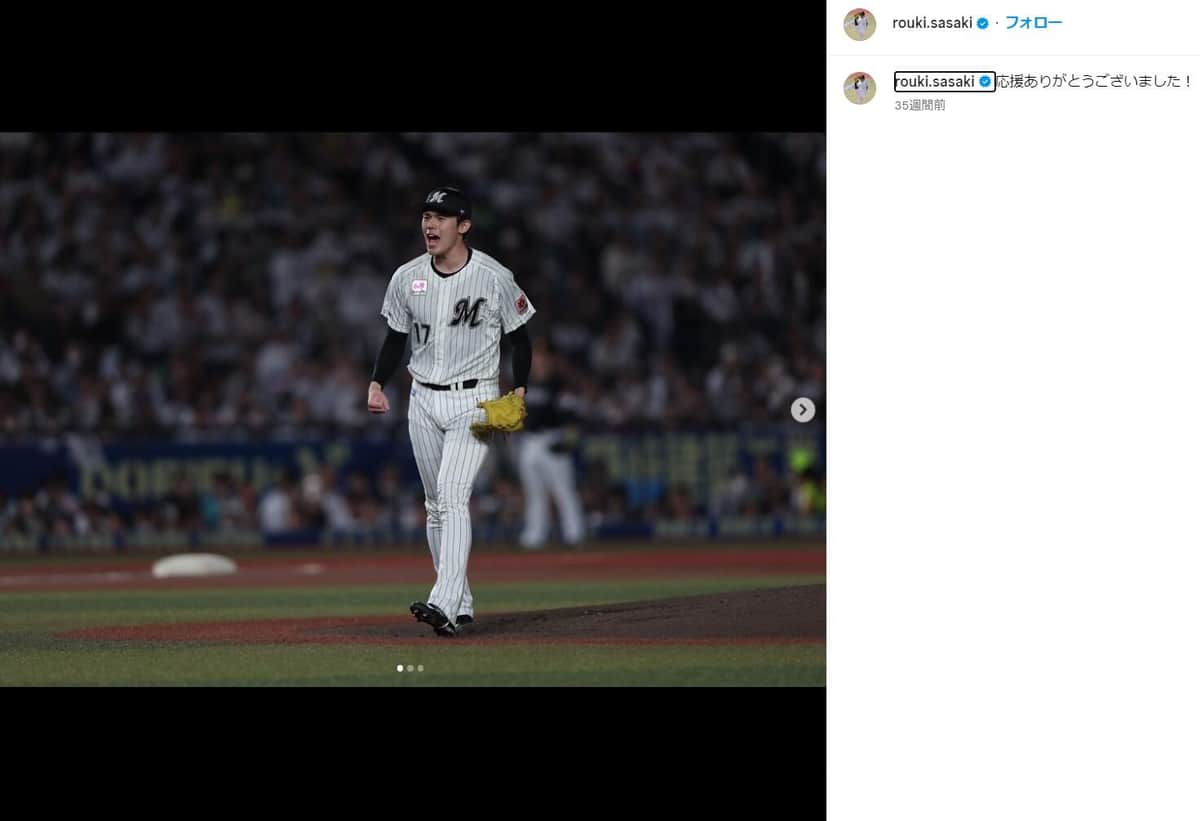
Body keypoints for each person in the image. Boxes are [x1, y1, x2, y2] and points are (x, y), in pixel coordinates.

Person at [367, 186, 535, 637]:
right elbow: (395, 338)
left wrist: (520, 388)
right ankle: (460, 604)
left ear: (464, 225)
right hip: (422, 398)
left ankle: (442, 600)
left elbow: (520, 337)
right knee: (435, 505)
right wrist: (378, 382)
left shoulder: (493, 276)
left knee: (453, 494)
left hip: (475, 400)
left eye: (441, 216)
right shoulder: (406, 277)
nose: (430, 223)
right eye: (427, 215)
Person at [516, 337, 586, 549]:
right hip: (530, 441)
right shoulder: (527, 382)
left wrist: (568, 440)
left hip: (553, 439)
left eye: (543, 356)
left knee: (563, 489)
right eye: (537, 356)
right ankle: (534, 535)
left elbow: (572, 415)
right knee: (534, 491)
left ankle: (575, 533)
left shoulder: (559, 384)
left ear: (551, 359)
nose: (539, 360)